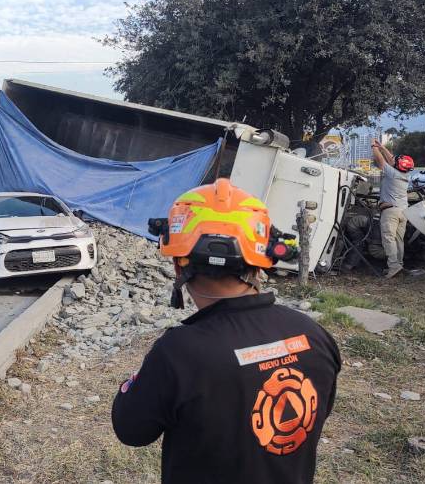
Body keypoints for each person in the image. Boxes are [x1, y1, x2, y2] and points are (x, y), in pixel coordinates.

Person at [111, 179, 340, 483]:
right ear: (259, 266)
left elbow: (132, 431)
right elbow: (317, 413)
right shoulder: (313, 335)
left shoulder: (179, 353)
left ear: (179, 266)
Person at [371, 139, 414, 278]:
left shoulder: (392, 173)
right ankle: (398, 265)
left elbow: (380, 160)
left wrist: (374, 147)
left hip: (391, 212)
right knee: (398, 240)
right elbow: (391, 159)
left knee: (388, 239)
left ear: (397, 165)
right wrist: (382, 146)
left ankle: (394, 266)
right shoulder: (405, 174)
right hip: (403, 211)